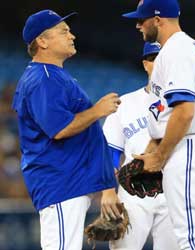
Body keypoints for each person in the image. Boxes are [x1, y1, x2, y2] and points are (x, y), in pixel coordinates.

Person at [122, 1, 195, 249]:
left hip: (192, 144)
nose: (138, 25)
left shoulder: (177, 51)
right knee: (193, 234)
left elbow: (184, 112)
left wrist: (159, 157)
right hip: (194, 145)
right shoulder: (181, 48)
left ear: (158, 19)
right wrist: (152, 149)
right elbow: (167, 113)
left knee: (193, 237)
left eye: (142, 19)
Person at [12, 9, 122, 250]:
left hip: (70, 181)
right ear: (42, 41)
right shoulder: (43, 78)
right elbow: (59, 130)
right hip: (61, 183)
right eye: (63, 32)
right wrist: (98, 110)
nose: (71, 36)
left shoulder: (54, 76)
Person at [102, 42, 179, 250]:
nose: (160, 63)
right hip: (132, 187)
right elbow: (110, 152)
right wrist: (108, 191)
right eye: (155, 59)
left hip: (173, 188)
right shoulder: (125, 104)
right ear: (146, 64)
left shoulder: (184, 105)